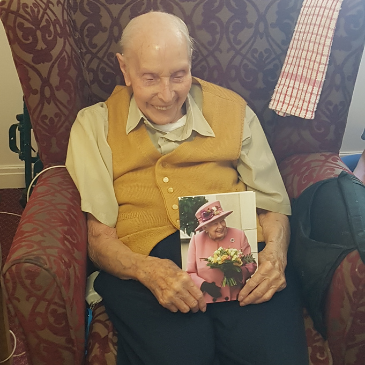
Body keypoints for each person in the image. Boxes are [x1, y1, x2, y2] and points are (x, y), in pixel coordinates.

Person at [66, 11, 308, 365]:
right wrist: (147, 270)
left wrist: (275, 255)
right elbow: (100, 238)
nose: (167, 94)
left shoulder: (233, 110)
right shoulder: (94, 125)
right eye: (149, 78)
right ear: (125, 69)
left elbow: (273, 204)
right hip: (143, 261)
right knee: (179, 355)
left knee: (273, 355)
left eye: (179, 75)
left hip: (235, 251)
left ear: (191, 64)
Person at [187, 200, 257, 303]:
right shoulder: (196, 241)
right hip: (208, 301)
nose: (220, 226)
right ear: (205, 227)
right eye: (215, 223)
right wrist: (204, 285)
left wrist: (238, 272)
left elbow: (251, 264)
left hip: (236, 298)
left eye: (222, 221)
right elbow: (190, 273)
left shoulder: (239, 235)